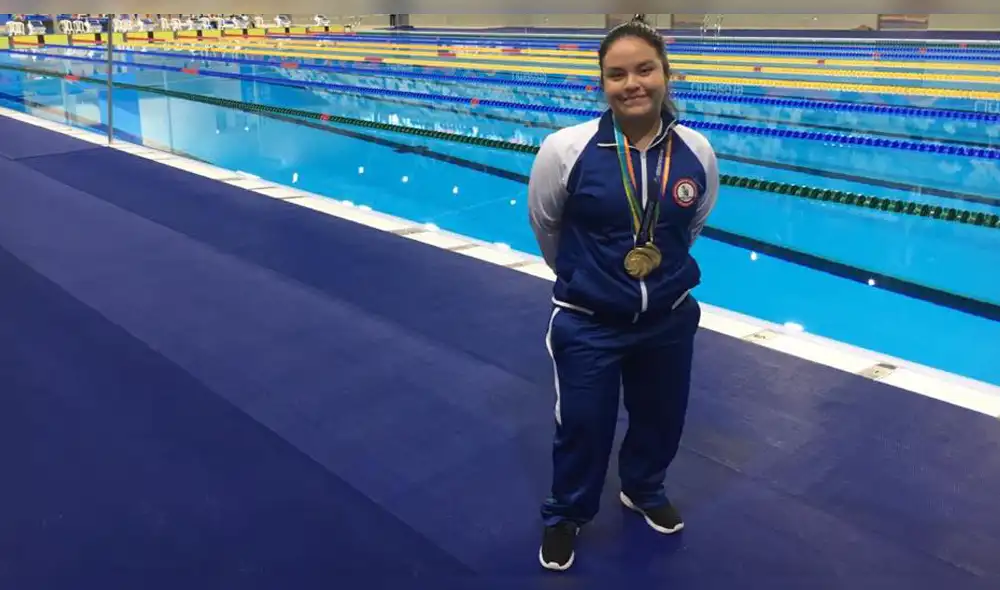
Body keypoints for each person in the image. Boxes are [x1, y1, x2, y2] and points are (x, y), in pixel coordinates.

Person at [527, 19, 719, 572]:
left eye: (644, 69)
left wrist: (653, 282)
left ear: (666, 74)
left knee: (662, 416)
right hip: (589, 320)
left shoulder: (695, 149)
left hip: (668, 317)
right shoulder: (567, 149)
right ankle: (566, 513)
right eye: (617, 74)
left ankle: (643, 486)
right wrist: (592, 283)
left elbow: (691, 224)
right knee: (583, 424)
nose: (631, 83)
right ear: (602, 84)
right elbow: (547, 226)